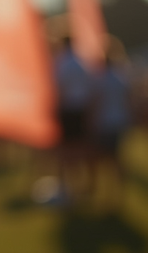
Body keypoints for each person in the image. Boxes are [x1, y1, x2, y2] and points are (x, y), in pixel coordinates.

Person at [54, 34, 96, 204]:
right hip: (81, 109)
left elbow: (59, 86)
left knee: (65, 150)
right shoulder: (81, 62)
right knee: (82, 147)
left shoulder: (61, 62)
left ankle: (68, 186)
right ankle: (85, 184)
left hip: (67, 109)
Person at [91, 40, 132, 209]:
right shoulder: (121, 77)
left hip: (104, 124)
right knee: (117, 161)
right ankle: (119, 197)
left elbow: (96, 104)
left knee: (105, 163)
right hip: (120, 122)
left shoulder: (101, 79)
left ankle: (108, 197)